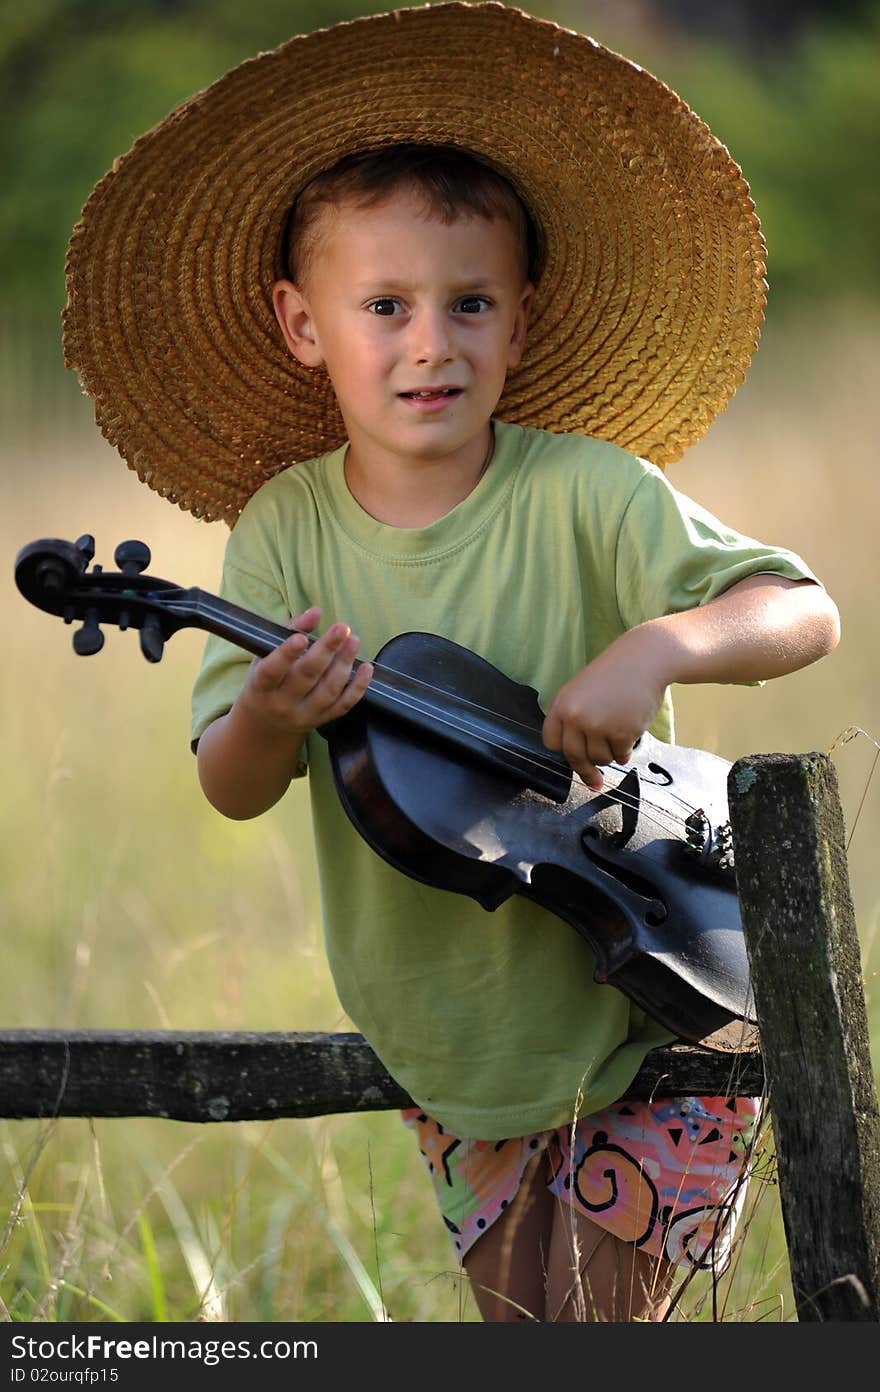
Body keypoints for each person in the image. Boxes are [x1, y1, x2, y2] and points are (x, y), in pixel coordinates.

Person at [62, 5, 840, 1322]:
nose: (434, 343)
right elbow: (232, 785)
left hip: (670, 981)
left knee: (596, 1329)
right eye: (386, 306)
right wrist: (269, 708)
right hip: (459, 1038)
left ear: (520, 322)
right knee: (519, 1328)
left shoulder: (592, 493)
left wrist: (655, 648)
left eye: (469, 303)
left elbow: (802, 610)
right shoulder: (286, 533)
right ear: (303, 326)